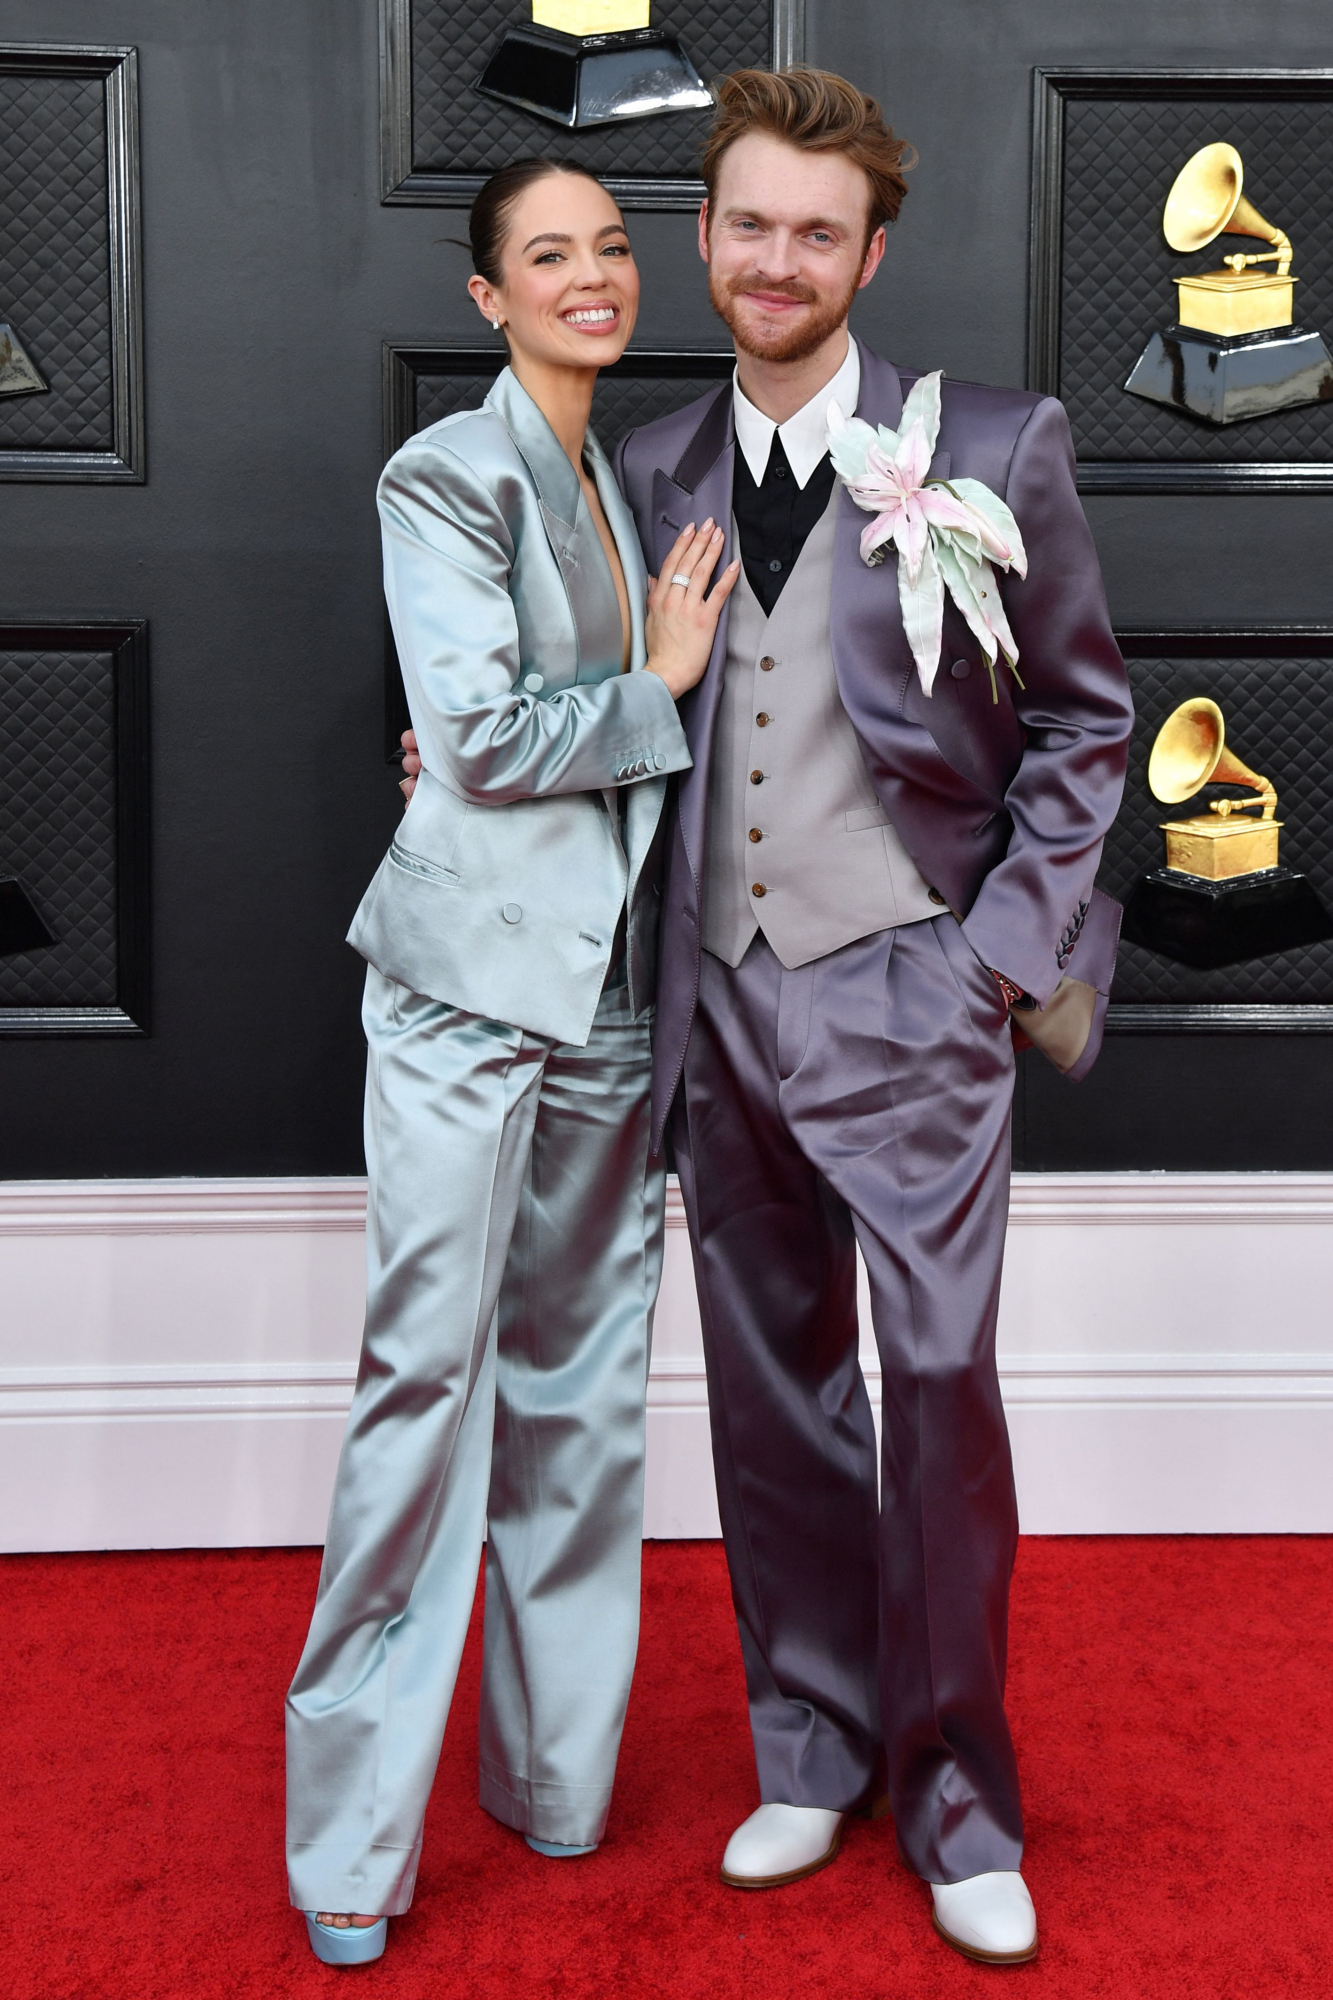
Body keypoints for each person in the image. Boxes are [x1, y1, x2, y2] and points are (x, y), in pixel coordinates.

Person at [409, 67, 1133, 1966]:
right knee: (770, 1394)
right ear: (706, 238)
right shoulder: (636, 468)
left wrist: (994, 959)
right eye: (745, 225)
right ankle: (806, 1745)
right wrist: (454, 760)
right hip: (707, 997)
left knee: (944, 1390)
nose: (775, 259)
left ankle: (958, 1791)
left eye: (817, 231)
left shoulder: (992, 442)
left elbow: (1079, 725)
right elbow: (570, 711)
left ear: (867, 252)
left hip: (915, 995)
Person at [286, 156, 738, 1966]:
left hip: (614, 1007)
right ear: (487, 298)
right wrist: (660, 686)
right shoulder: (444, 473)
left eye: (610, 248)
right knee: (425, 1398)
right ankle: (346, 1852)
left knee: (583, 1409)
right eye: (547, 256)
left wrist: (632, 698)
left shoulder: (626, 484)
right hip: (471, 1006)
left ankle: (554, 1781)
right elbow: (469, 735)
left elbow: (528, 742)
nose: (591, 277)